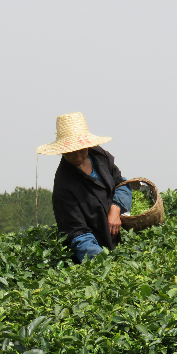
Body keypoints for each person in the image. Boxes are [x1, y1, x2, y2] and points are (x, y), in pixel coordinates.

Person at [36, 112, 132, 262]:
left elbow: (122, 183)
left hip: (123, 242)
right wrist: (105, 262)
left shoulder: (99, 156)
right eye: (72, 153)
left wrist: (116, 207)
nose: (78, 157)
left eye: (82, 150)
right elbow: (78, 234)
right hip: (100, 249)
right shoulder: (64, 186)